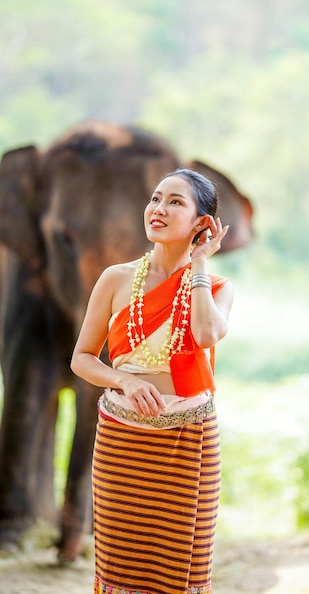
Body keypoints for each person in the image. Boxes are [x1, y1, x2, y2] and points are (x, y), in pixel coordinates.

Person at [71, 168, 234, 594]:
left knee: (182, 563)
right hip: (122, 442)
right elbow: (82, 359)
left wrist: (198, 263)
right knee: (122, 561)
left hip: (188, 441)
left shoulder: (216, 287)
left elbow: (204, 335)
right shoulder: (116, 278)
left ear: (203, 223)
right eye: (155, 198)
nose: (158, 209)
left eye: (175, 202)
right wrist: (123, 380)